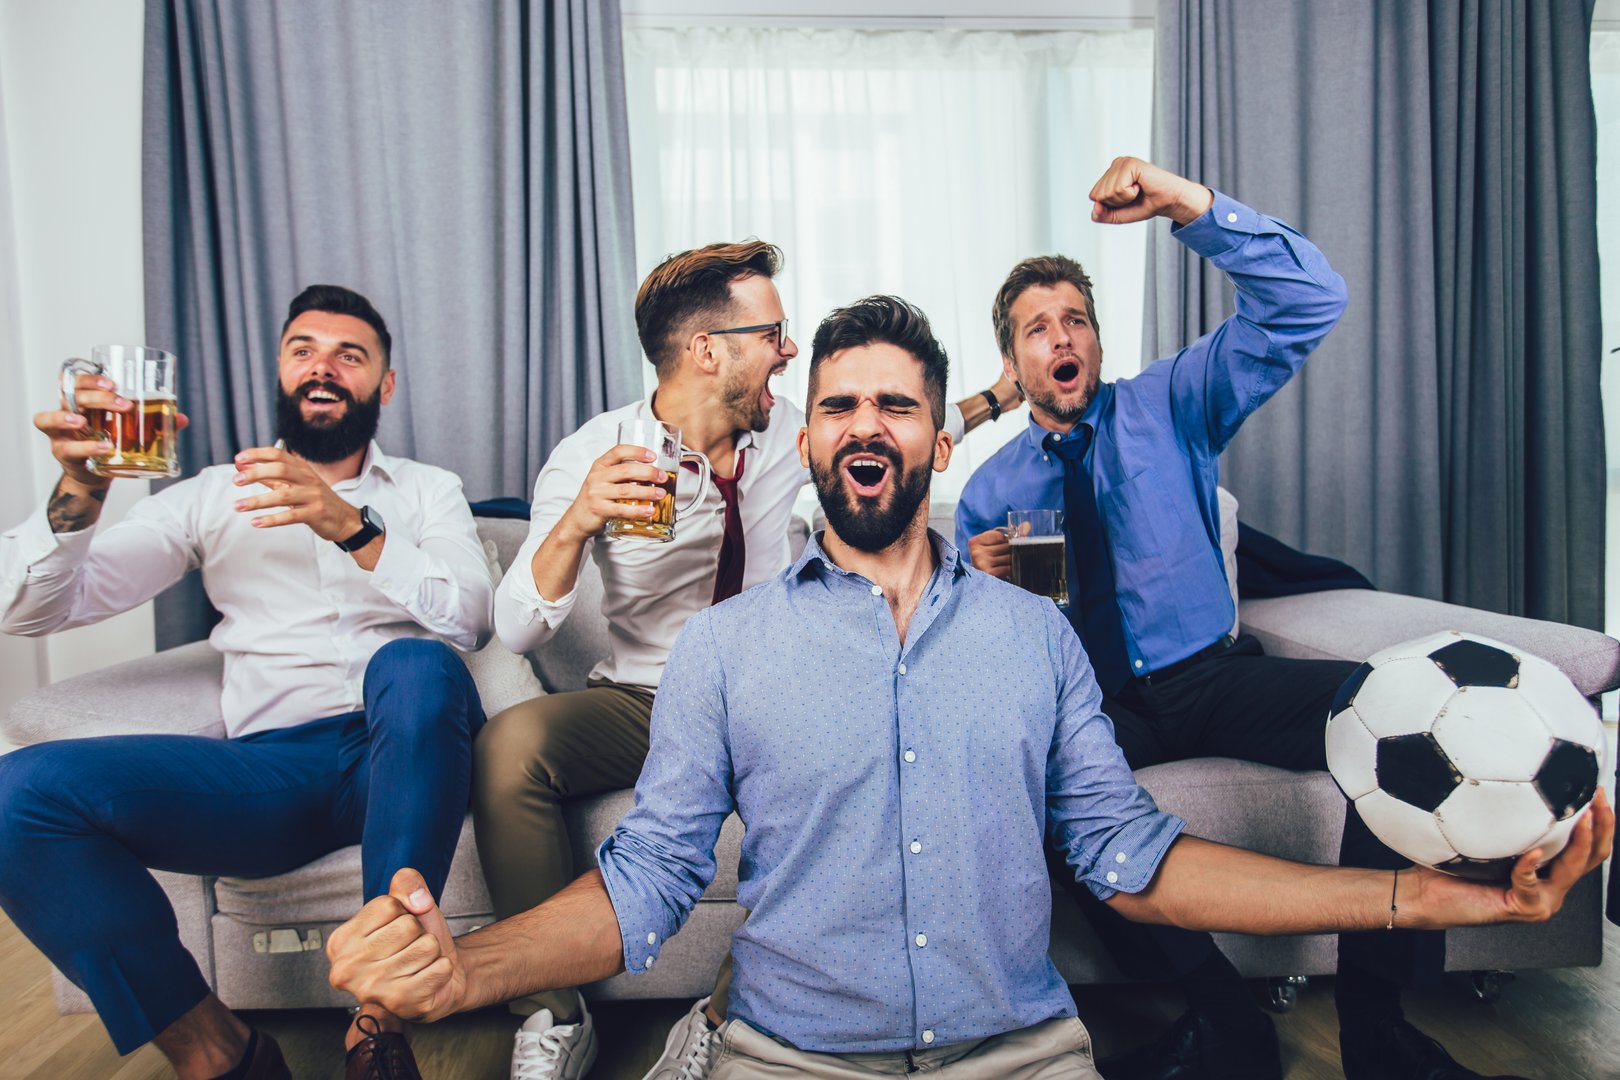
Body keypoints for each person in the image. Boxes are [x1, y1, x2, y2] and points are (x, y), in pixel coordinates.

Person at [326, 294, 1611, 1080]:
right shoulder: (725, 650)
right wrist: (463, 972)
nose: (864, 425)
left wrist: (1422, 897)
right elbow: (646, 884)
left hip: (1025, 1056)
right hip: (787, 1058)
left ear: (939, 440)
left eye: (895, 405)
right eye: (838, 406)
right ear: (807, 439)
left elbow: (1136, 861)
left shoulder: (1035, 641)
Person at [955, 157, 1519, 1080]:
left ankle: (1376, 1029)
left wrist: (1189, 205)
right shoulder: (991, 489)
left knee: (1401, 710)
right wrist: (982, 588)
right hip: (1098, 705)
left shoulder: (1171, 403)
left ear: (1096, 340)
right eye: (1037, 328)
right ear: (1014, 363)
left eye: (1076, 319)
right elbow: (997, 645)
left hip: (1214, 677)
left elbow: (1308, 302)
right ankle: (1223, 1018)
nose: (1061, 336)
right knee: (1017, 785)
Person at [473, 242, 1021, 1079]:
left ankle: (724, 1016)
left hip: (776, 695)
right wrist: (580, 519)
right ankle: (554, 1013)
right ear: (707, 350)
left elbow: (901, 429)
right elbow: (516, 628)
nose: (790, 350)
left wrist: (1003, 395)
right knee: (510, 747)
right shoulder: (598, 452)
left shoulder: (788, 434)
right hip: (644, 696)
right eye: (773, 334)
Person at [0, 285, 493, 1080]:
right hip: (274, 771)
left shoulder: (428, 489)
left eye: (350, 355)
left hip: (409, 747)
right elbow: (32, 609)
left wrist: (349, 526)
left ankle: (378, 1024)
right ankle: (219, 1053)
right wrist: (81, 491)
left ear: (385, 384)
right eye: (304, 350)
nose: (323, 367)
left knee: (412, 662)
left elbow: (470, 618)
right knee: (17, 795)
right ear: (281, 370)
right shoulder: (210, 495)